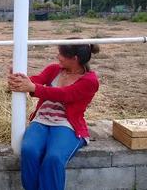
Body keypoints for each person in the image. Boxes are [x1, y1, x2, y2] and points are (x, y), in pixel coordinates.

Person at [7, 41, 100, 190]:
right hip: (41, 119)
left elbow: (65, 94)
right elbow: (36, 80)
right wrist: (19, 79)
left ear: (74, 58)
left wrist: (33, 87)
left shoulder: (90, 81)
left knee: (54, 158)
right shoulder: (54, 69)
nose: (58, 56)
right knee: (29, 150)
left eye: (61, 54)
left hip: (67, 124)